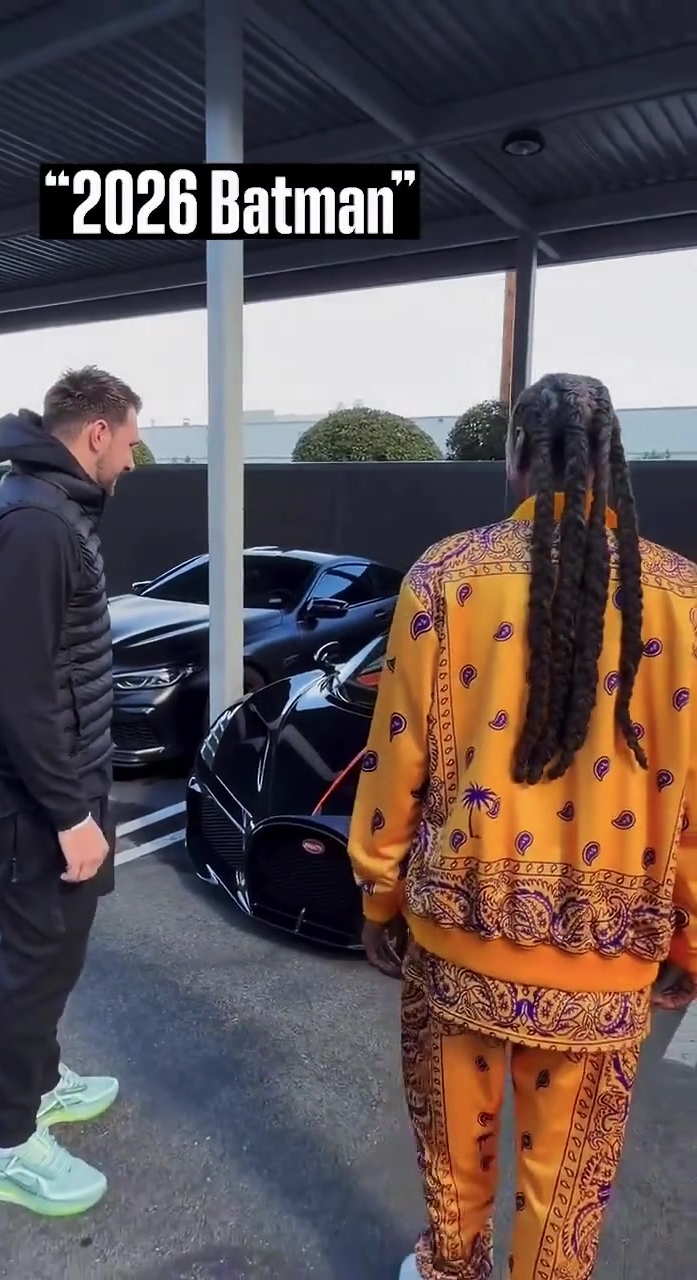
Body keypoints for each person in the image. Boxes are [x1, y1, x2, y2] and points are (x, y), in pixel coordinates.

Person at [348, 373, 697, 1280]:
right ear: (612, 464)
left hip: (458, 940)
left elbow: (397, 754)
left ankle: (451, 1267)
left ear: (517, 461)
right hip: (605, 962)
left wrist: (380, 895)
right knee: (566, 1189)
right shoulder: (683, 599)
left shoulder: (447, 576)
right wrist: (690, 942)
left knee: (453, 1157)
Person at [0, 367, 142, 1217]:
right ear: (97, 433)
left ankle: (40, 1081)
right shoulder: (35, 523)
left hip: (66, 779)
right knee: (36, 959)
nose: (134, 461)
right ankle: (7, 1143)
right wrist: (70, 814)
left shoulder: (53, 507)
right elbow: (18, 691)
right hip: (32, 797)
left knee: (60, 948)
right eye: (131, 442)